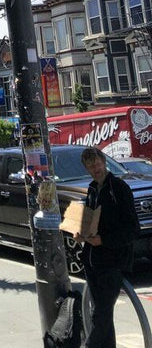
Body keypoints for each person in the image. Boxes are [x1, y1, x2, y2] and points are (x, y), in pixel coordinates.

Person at [75, 147, 138, 348]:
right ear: (86, 168)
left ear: (104, 162)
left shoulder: (119, 188)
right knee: (103, 315)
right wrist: (81, 234)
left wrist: (104, 240)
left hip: (112, 261)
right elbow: (90, 221)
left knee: (100, 313)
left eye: (98, 163)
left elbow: (132, 229)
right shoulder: (93, 189)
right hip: (93, 260)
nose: (95, 168)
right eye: (90, 165)